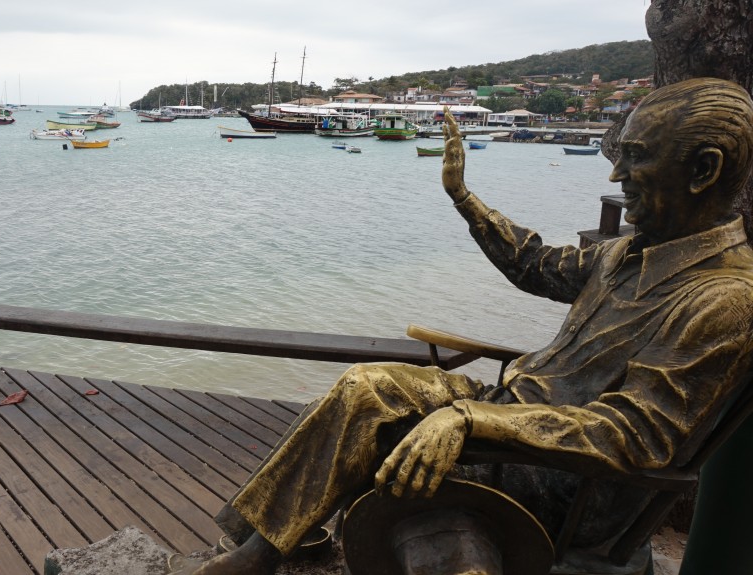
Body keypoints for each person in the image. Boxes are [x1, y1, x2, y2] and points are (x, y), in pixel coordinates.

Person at [189, 77, 753, 575]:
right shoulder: (632, 253)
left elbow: (634, 437)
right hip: (509, 413)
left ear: (704, 170)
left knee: (371, 424)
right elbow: (535, 263)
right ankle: (259, 547)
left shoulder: (724, 301)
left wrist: (469, 420)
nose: (616, 174)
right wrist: (464, 197)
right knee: (366, 387)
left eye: (636, 156)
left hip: (561, 480)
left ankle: (260, 551)